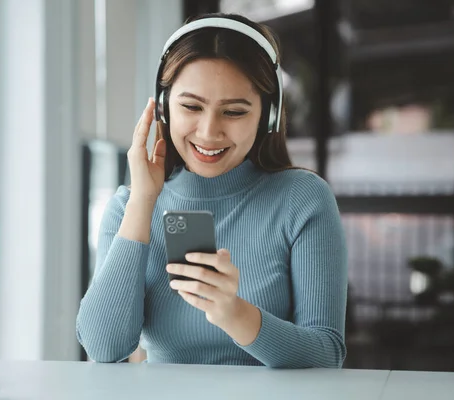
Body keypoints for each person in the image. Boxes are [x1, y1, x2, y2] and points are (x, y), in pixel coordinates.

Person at [76, 12, 348, 368]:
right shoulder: (131, 206)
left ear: (268, 116)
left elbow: (327, 354)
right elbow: (103, 348)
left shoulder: (303, 200)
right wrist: (143, 202)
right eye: (191, 106)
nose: (208, 132)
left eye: (234, 112)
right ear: (163, 107)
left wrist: (235, 314)